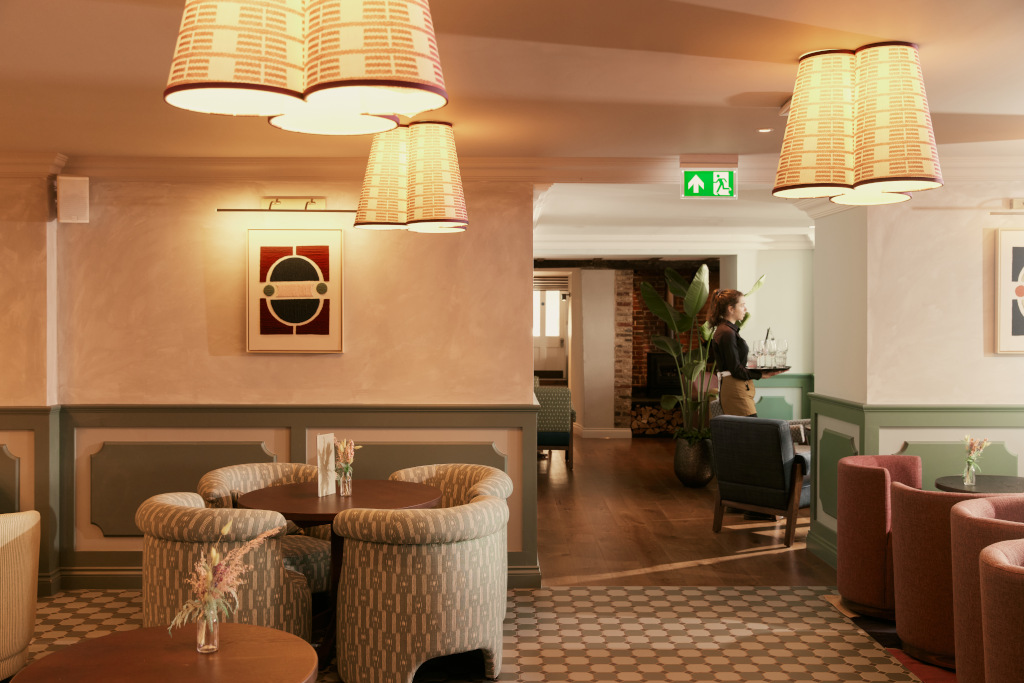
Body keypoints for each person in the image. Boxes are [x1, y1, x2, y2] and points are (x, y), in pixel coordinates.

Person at [708, 289, 781, 417]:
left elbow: (735, 363)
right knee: (751, 431)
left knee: (746, 432)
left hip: (736, 387)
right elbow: (736, 369)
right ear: (731, 309)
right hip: (735, 388)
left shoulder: (727, 330)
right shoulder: (727, 333)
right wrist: (760, 375)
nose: (745, 309)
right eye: (742, 305)